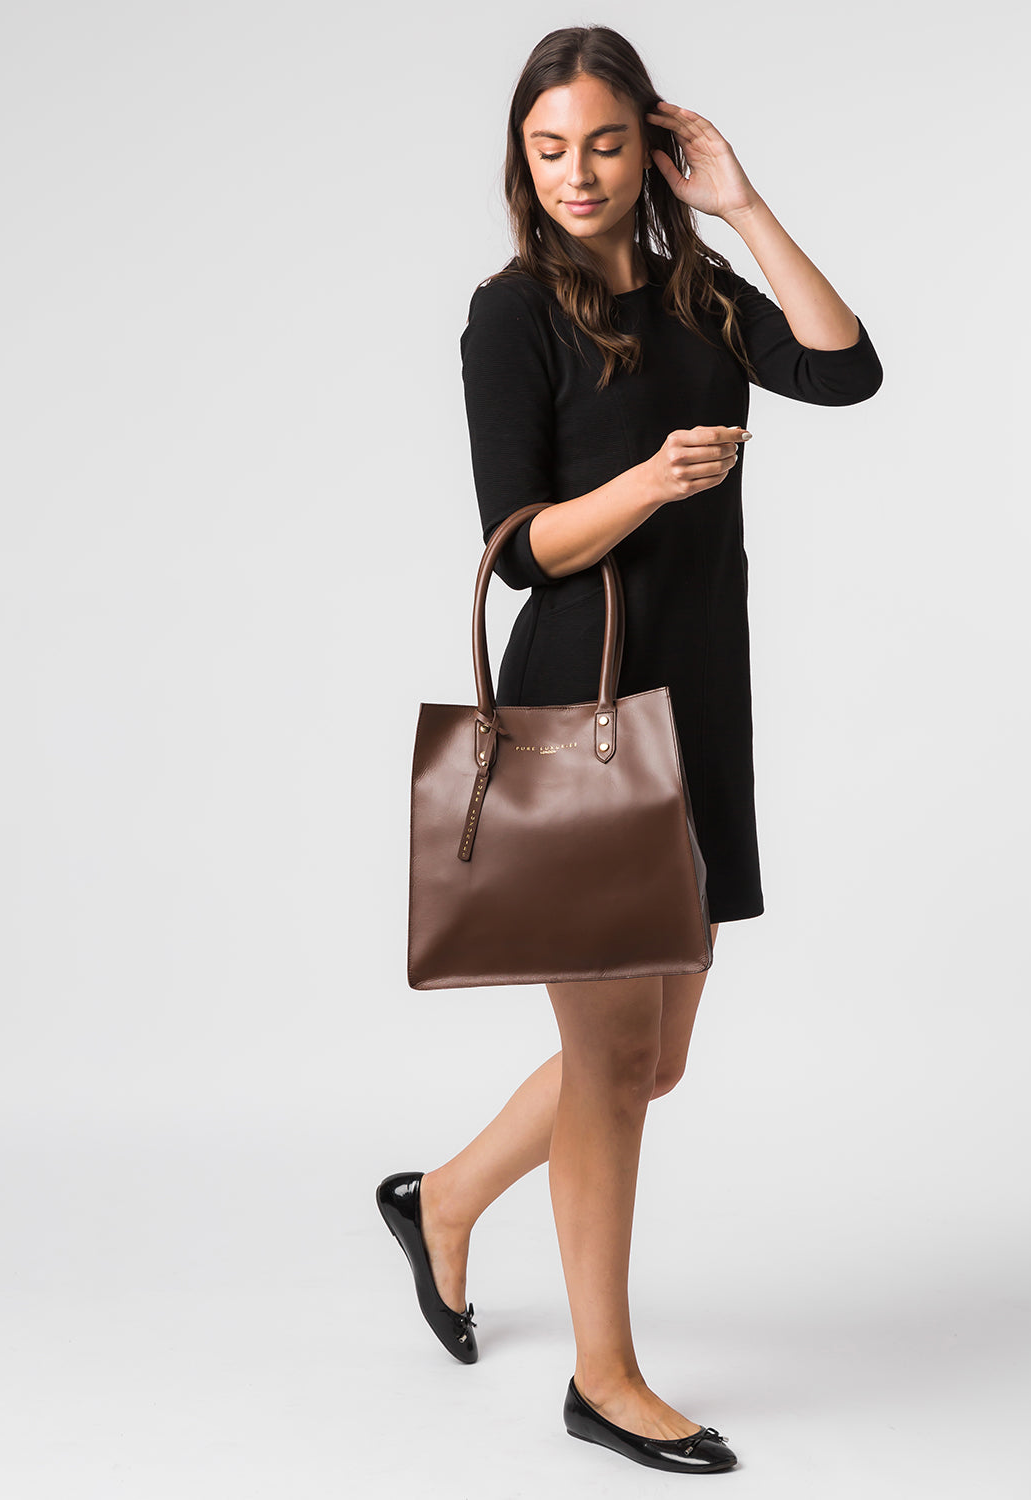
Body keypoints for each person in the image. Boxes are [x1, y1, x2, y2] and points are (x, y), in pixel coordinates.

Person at [379, 24, 882, 1475]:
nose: (578, 173)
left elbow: (844, 371)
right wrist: (650, 482)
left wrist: (741, 204)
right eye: (550, 149)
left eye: (605, 143)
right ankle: (603, 1379)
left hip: (696, 705)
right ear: (521, 162)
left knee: (651, 1061)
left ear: (647, 149)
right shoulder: (509, 317)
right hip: (579, 713)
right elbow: (520, 548)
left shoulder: (694, 291)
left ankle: (444, 1199)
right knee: (608, 1068)